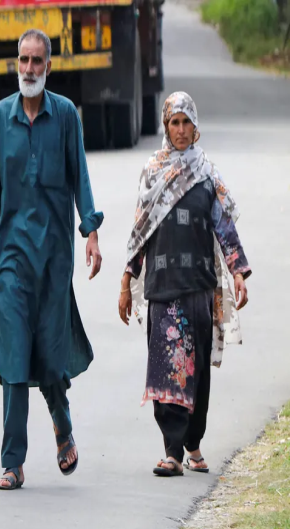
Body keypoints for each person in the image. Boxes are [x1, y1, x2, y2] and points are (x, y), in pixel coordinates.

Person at [0, 28, 104, 491]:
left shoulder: (65, 116)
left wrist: (91, 232)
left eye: (37, 61)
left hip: (53, 261)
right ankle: (13, 461)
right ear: (16, 64)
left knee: (49, 354)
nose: (29, 68)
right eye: (23, 60)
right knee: (12, 357)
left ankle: (62, 423)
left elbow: (80, 175)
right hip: (10, 261)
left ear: (49, 67)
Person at [119, 91, 251, 477]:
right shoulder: (153, 172)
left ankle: (193, 442)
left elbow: (225, 227)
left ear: (196, 127)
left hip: (199, 286)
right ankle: (172, 451)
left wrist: (238, 271)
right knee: (166, 369)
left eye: (186, 123)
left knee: (197, 374)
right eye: (173, 123)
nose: (180, 130)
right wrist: (127, 279)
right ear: (165, 127)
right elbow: (139, 231)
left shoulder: (207, 174)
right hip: (162, 286)